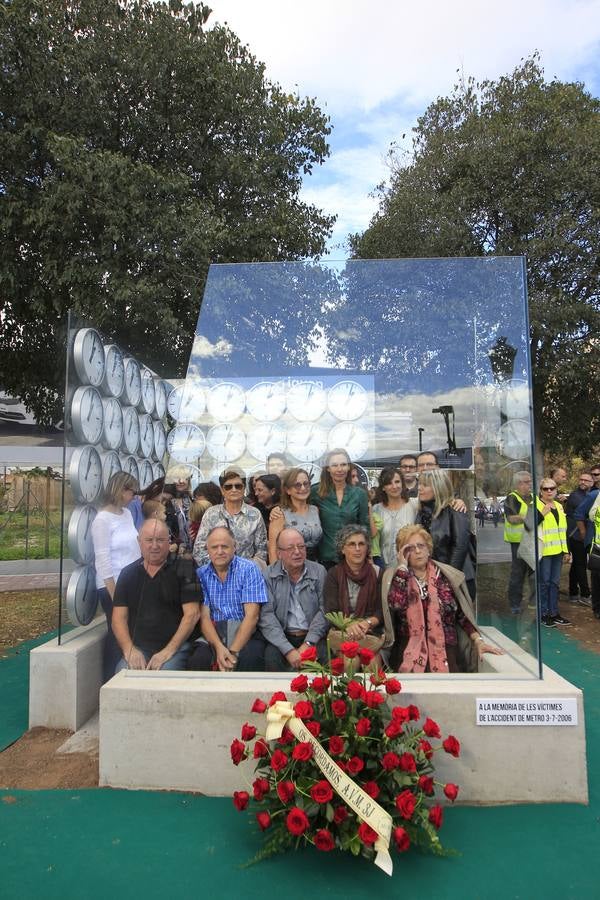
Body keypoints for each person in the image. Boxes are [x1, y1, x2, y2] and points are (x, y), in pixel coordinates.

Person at [387, 525, 502, 672]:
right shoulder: (396, 578)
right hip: (408, 652)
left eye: (421, 546)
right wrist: (402, 568)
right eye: (410, 548)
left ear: (428, 549)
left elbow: (462, 615)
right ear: (402, 553)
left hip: (446, 652)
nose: (417, 551)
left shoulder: (446, 576)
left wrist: (478, 640)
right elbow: (395, 605)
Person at [112, 519, 201, 670]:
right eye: (149, 540)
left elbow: (192, 614)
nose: (154, 546)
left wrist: (168, 651)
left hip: (177, 647)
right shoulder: (127, 574)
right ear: (139, 542)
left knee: (162, 676)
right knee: (122, 676)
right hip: (139, 649)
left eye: (160, 540)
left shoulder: (186, 567)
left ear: (169, 541)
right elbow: (118, 618)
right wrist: (129, 650)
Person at [188, 526, 267, 671]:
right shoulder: (201, 574)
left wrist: (232, 653)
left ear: (234, 547)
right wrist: (219, 648)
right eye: (214, 547)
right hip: (214, 633)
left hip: (244, 631)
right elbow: (204, 617)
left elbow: (252, 616)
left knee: (251, 658)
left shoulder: (249, 569)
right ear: (208, 550)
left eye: (224, 546)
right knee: (198, 659)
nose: (219, 551)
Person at [91, 472, 141, 681]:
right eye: (132, 492)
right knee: (117, 634)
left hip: (131, 583)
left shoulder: (127, 514)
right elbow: (102, 560)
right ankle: (108, 681)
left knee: (131, 631)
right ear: (121, 490)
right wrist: (115, 595)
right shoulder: (102, 520)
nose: (134, 497)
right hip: (112, 585)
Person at [260, 528, 328, 670]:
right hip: (282, 636)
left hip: (313, 635)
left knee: (325, 658)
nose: (297, 552)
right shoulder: (268, 575)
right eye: (290, 548)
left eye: (301, 547)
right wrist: (288, 650)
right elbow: (267, 615)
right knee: (271, 657)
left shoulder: (319, 571)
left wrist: (309, 643)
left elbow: (324, 611)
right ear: (279, 553)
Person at [324, 524, 386, 668]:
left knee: (372, 664)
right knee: (350, 661)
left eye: (361, 544)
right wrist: (350, 625)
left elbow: (382, 610)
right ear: (343, 549)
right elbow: (331, 610)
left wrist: (366, 623)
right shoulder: (334, 574)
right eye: (352, 544)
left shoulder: (378, 573)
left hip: (370, 633)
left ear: (367, 548)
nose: (357, 549)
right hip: (343, 631)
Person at [417, 468, 476, 599]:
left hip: (457, 580)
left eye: (425, 485)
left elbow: (460, 547)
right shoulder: (422, 512)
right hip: (434, 578)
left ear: (439, 487)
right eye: (419, 484)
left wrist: (447, 581)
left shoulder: (454, 509)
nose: (419, 488)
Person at [192, 468, 267, 568]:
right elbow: (199, 549)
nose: (234, 489)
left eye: (238, 486)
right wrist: (219, 570)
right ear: (222, 491)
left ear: (244, 489)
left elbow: (262, 550)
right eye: (228, 487)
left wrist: (245, 570)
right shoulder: (211, 514)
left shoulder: (255, 514)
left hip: (247, 576)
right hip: (217, 576)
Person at [310, 448, 369, 568]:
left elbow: (364, 527)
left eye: (343, 465)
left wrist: (368, 555)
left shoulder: (359, 494)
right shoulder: (316, 492)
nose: (339, 469)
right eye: (334, 465)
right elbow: (298, 506)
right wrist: (278, 510)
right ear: (328, 468)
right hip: (325, 559)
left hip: (352, 558)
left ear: (348, 467)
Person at [536, 477, 571, 628]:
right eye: (546, 489)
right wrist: (541, 513)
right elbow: (528, 526)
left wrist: (566, 550)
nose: (549, 491)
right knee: (544, 583)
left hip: (557, 552)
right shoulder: (536, 504)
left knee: (554, 583)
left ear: (556, 489)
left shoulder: (559, 505)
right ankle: (543, 614)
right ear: (541, 491)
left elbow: (563, 531)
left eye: (552, 488)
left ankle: (554, 613)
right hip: (544, 552)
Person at [268, 467, 322, 563]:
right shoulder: (280, 514)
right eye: (297, 485)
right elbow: (273, 549)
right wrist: (276, 574)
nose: (303, 488)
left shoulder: (315, 510)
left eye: (306, 484)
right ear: (288, 490)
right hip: (289, 565)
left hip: (315, 565)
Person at [371, 467, 419, 568]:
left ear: (402, 483)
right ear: (383, 487)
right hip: (383, 567)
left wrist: (456, 502)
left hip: (409, 566)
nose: (394, 486)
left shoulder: (414, 505)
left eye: (397, 482)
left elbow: (440, 499)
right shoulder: (376, 510)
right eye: (389, 483)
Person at [503, 470, 535, 615]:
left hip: (533, 541)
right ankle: (515, 603)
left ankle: (534, 602)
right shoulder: (512, 498)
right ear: (519, 484)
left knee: (534, 572)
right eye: (527, 482)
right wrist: (529, 517)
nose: (530, 485)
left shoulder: (534, 497)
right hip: (518, 542)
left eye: (530, 482)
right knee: (518, 573)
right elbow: (511, 518)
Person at [564, 471, 594, 606]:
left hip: (581, 534)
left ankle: (573, 593)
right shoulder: (576, 496)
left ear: (592, 482)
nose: (583, 482)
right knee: (581, 564)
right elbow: (588, 511)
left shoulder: (588, 495)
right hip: (577, 535)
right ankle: (586, 594)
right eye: (581, 479)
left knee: (577, 564)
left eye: (586, 480)